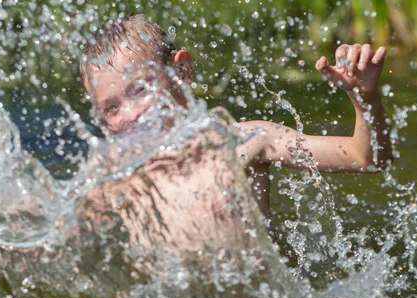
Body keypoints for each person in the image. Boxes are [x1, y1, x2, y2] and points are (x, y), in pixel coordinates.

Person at [79, 13, 392, 226]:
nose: (132, 114)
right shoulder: (113, 179)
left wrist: (364, 98)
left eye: (140, 89)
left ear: (182, 71)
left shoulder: (244, 142)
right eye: (111, 108)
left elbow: (366, 158)